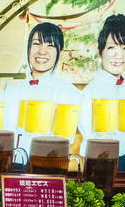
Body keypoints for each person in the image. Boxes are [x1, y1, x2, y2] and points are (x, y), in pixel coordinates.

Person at [78, 13, 125, 168]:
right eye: (111, 47)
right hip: (98, 162)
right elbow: (92, 138)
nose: (119, 54)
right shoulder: (89, 92)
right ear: (100, 52)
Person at [11, 22, 80, 162]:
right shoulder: (12, 90)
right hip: (10, 168)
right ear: (29, 48)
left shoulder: (69, 93)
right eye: (36, 44)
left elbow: (63, 141)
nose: (42, 51)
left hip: (47, 166)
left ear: (60, 52)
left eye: (50, 45)